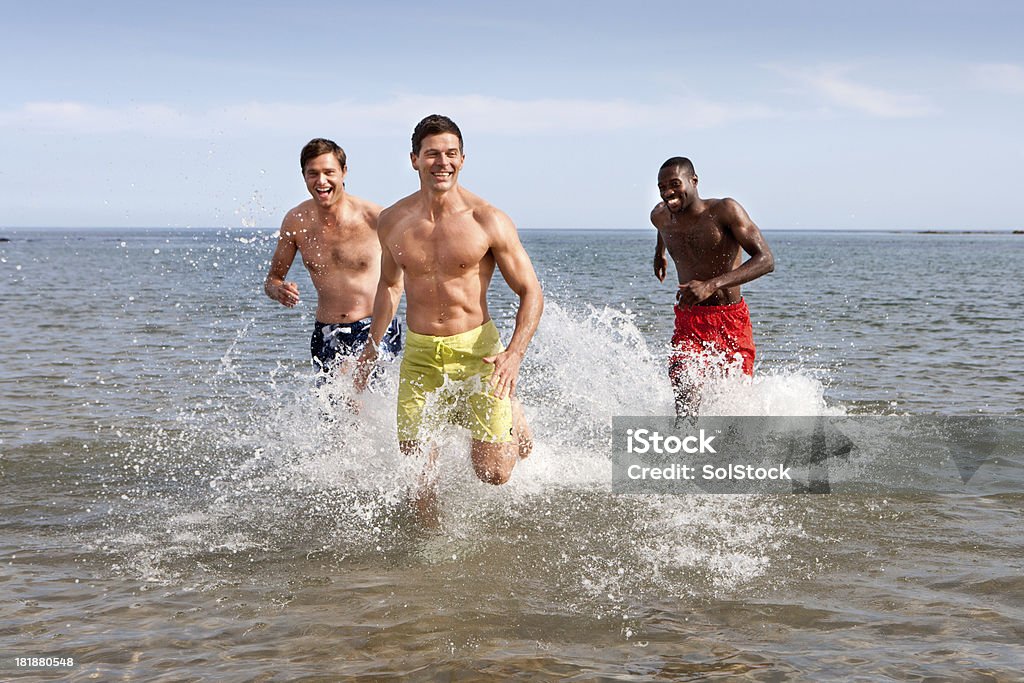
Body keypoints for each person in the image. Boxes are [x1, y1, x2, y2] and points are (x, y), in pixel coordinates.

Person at [355, 114, 542, 497]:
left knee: (493, 474)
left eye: (451, 154)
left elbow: (531, 291)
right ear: (414, 160)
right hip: (421, 354)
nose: (443, 162)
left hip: (479, 354)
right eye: (433, 154)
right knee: (416, 474)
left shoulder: (487, 219)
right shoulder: (392, 220)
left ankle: (514, 412)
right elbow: (390, 285)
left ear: (463, 158)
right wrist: (371, 350)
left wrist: (514, 355)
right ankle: (425, 549)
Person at [264, 138, 402, 382]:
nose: (321, 181)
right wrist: (279, 290)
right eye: (313, 173)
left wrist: (373, 344)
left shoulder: (376, 218)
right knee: (331, 417)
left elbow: (400, 281)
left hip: (375, 327)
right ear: (304, 176)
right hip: (326, 332)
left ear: (343, 172)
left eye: (329, 172)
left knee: (368, 409)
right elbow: (273, 280)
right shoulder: (296, 221)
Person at [651, 156, 774, 416]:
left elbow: (766, 260)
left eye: (675, 184)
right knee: (684, 388)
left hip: (730, 321)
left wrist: (711, 285)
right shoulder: (660, 216)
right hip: (689, 320)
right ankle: (685, 451)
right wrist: (659, 253)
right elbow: (663, 229)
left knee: (733, 409)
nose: (668, 193)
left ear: (694, 181)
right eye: (662, 188)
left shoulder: (725, 211)